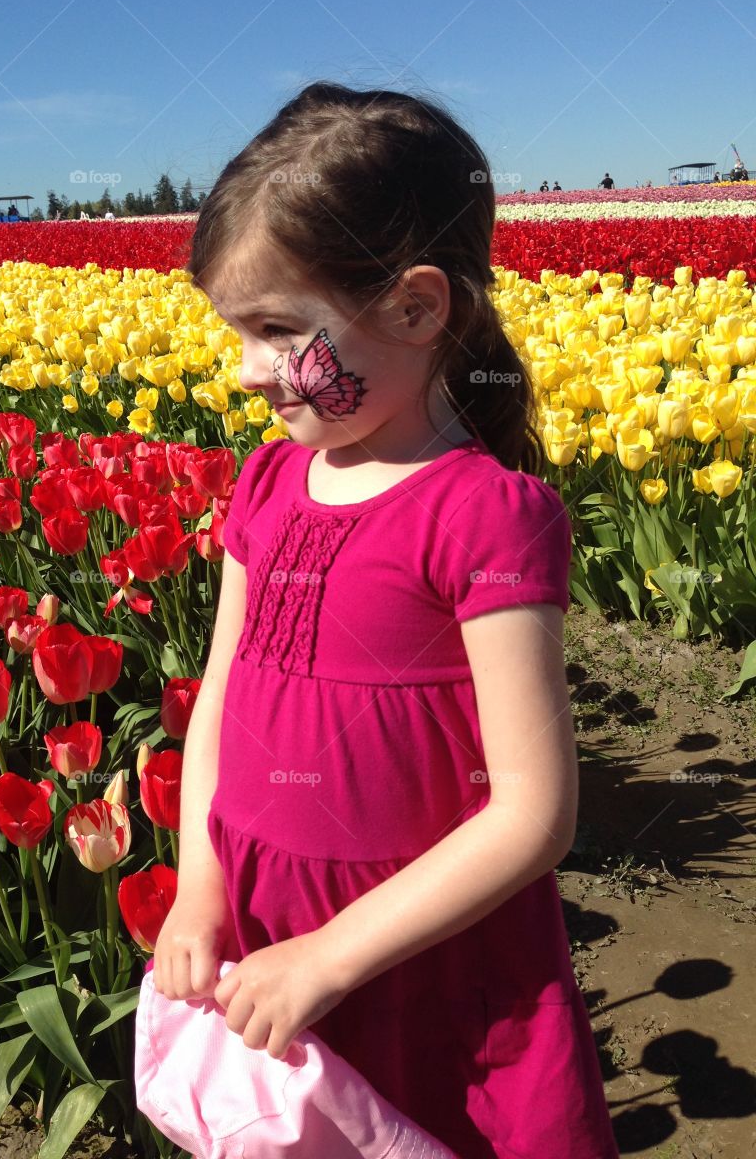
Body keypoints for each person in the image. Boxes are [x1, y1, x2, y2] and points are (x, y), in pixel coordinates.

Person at [152, 81, 619, 1159]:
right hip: (272, 930)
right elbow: (221, 700)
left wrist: (335, 953)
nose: (247, 371)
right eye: (239, 332)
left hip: (422, 960)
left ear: (414, 308)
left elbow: (533, 812)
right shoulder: (269, 486)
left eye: (277, 331)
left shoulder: (483, 516)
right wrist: (202, 888)